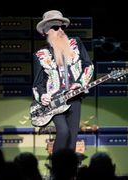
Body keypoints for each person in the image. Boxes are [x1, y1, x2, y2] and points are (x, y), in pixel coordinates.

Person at [30, 10, 94, 153]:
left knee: (72, 138)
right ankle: (56, 168)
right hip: (54, 101)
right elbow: (38, 83)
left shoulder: (75, 43)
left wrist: (80, 83)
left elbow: (88, 65)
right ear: (45, 31)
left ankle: (68, 171)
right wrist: (42, 96)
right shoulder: (40, 55)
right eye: (55, 27)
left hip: (74, 97)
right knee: (63, 131)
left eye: (62, 27)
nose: (60, 30)